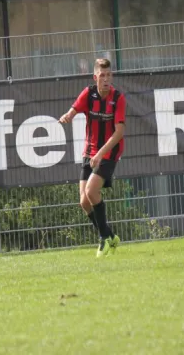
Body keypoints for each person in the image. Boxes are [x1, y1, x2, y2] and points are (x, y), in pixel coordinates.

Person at [59, 58, 126, 258]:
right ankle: (109, 235)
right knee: (84, 202)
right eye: (102, 75)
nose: (106, 79)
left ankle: (104, 240)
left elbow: (119, 132)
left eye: (109, 75)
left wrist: (100, 154)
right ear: (95, 77)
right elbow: (74, 108)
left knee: (91, 191)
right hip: (90, 151)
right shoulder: (89, 93)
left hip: (109, 153)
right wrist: (68, 115)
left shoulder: (118, 98)